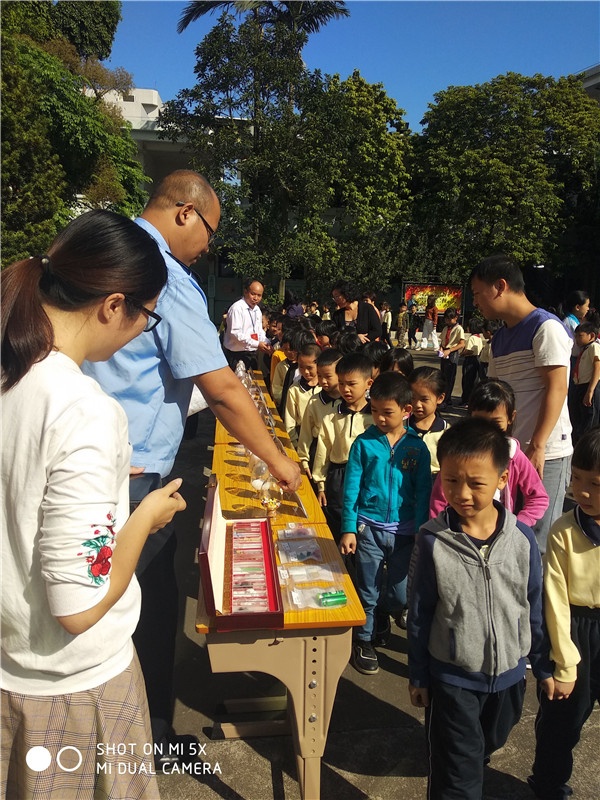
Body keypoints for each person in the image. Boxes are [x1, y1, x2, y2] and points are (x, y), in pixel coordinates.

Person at [83, 170, 301, 766]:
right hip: (132, 475)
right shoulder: (164, 275)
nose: (208, 247)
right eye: (210, 231)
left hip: (91, 460)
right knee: (139, 608)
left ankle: (124, 732)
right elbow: (222, 388)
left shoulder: (98, 245)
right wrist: (280, 462)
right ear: (185, 212)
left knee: (115, 600)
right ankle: (139, 740)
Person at [1, 211, 187, 799]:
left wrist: (97, 477)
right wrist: (144, 518)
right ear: (113, 305)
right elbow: (79, 608)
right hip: (70, 688)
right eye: (147, 315)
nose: (141, 331)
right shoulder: (84, 409)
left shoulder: (14, 372)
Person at [408, 418, 554, 800]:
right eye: (451, 480)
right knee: (458, 775)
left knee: (484, 748)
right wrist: (419, 674)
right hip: (453, 679)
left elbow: (533, 604)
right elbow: (420, 612)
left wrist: (542, 664)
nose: (462, 493)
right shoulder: (432, 540)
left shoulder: (521, 539)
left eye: (476, 483)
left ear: (503, 479)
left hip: (509, 680)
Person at [471, 253, 573, 554]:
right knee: (508, 537)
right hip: (510, 453)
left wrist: (538, 445)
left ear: (500, 286)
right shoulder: (500, 339)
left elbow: (557, 387)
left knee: (538, 541)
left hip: (544, 453)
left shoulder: (546, 328)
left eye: (477, 293)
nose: (475, 302)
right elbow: (495, 396)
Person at [340, 373, 431, 674]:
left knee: (398, 594)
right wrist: (349, 528)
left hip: (405, 532)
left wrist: (421, 529)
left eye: (387, 412)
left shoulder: (417, 448)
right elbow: (351, 487)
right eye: (375, 410)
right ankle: (363, 640)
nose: (379, 417)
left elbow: (423, 492)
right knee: (367, 588)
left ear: (406, 410)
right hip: (369, 528)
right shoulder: (363, 444)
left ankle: (383, 613)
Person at [528, 427, 600, 800]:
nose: (582, 492)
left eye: (596, 484)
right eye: (577, 479)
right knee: (562, 720)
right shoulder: (564, 530)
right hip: (575, 630)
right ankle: (548, 784)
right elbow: (554, 598)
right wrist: (565, 662)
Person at [430, 380, 549, 527]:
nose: (486, 429)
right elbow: (439, 499)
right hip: (456, 533)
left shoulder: (512, 454)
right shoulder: (457, 452)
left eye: (495, 423)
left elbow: (538, 497)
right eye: (479, 421)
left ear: (511, 418)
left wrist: (517, 526)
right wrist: (438, 530)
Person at [312, 353, 374, 541]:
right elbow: (323, 452)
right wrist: (321, 485)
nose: (345, 389)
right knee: (337, 522)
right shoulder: (332, 417)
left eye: (352, 384)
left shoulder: (376, 417)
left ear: (368, 383)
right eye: (341, 383)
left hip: (368, 476)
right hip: (339, 476)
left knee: (364, 524)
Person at [297, 349, 342, 479]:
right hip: (317, 452)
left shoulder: (347, 403)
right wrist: (303, 459)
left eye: (328, 376)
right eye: (320, 376)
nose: (323, 381)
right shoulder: (314, 401)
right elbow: (305, 433)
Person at [222, 278, 272, 369]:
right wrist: (257, 344)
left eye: (259, 295)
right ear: (245, 292)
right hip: (236, 354)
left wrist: (266, 343)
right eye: (253, 294)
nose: (256, 298)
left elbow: (259, 331)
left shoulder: (257, 310)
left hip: (252, 353)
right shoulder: (237, 308)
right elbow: (235, 334)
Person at [408, 366, 449, 475]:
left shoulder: (447, 433)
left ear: (440, 398)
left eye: (424, 399)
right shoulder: (400, 427)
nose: (417, 404)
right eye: (412, 398)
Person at [283, 341, 322, 447]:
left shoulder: (325, 389)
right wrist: (294, 444)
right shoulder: (294, 390)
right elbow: (290, 420)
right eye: (301, 367)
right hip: (301, 439)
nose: (305, 372)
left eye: (309, 367)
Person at [568, 321, 600, 444]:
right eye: (576, 336)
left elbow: (597, 367)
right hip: (581, 386)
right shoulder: (584, 350)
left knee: (589, 419)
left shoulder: (594, 347)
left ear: (591, 336)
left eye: (580, 336)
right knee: (580, 417)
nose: (577, 339)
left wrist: (590, 391)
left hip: (590, 386)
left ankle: (588, 446)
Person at [438, 307, 465, 407]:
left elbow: (462, 344)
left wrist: (449, 350)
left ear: (456, 318)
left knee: (449, 377)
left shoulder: (459, 329)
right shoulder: (446, 328)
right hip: (444, 352)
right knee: (443, 376)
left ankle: (447, 399)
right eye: (446, 319)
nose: (448, 321)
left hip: (452, 353)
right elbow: (442, 341)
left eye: (450, 319)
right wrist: (441, 348)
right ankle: (445, 398)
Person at [459, 318, 484, 405]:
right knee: (474, 380)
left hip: (470, 359)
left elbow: (469, 350)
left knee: (467, 380)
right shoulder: (479, 337)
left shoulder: (471, 338)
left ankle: (466, 399)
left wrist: (462, 354)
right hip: (477, 359)